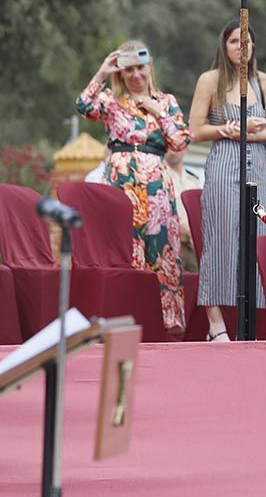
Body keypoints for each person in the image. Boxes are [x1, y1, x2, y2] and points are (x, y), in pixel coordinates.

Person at [77, 41, 192, 334]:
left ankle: (167, 321)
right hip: (121, 181)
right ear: (122, 73)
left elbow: (181, 141)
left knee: (161, 247)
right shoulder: (112, 100)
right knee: (123, 247)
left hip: (156, 183)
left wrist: (157, 113)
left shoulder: (165, 101)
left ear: (149, 66)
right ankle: (121, 317)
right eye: (129, 70)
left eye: (140, 68)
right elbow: (83, 106)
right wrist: (103, 72)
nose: (136, 75)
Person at [188, 19, 266, 341]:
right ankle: (215, 323)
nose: (241, 48)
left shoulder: (262, 80)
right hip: (224, 164)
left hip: (256, 164)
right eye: (234, 42)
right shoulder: (210, 80)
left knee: (256, 239)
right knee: (220, 238)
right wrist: (229, 130)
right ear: (224, 46)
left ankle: (249, 320)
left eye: (246, 42)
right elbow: (195, 130)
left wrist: (248, 133)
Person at [165, 146, 202, 273]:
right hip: (171, 241)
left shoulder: (195, 180)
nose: (173, 150)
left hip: (192, 243)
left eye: (178, 145)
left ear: (187, 147)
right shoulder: (159, 177)